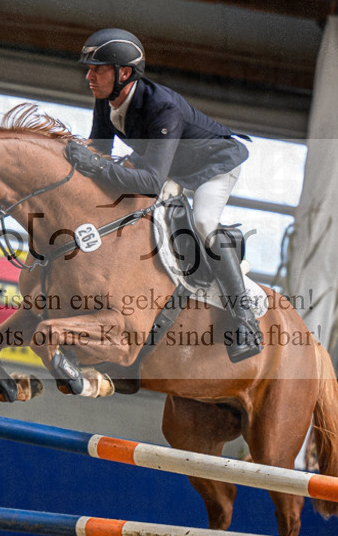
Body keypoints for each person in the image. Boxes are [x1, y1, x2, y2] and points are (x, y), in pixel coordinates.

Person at [64, 28, 262, 362]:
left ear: (123, 73)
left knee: (202, 222)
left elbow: (149, 181)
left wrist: (97, 168)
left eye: (98, 69)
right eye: (90, 68)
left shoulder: (162, 106)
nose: (89, 76)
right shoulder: (106, 99)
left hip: (214, 163)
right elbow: (99, 151)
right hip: (170, 167)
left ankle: (244, 320)